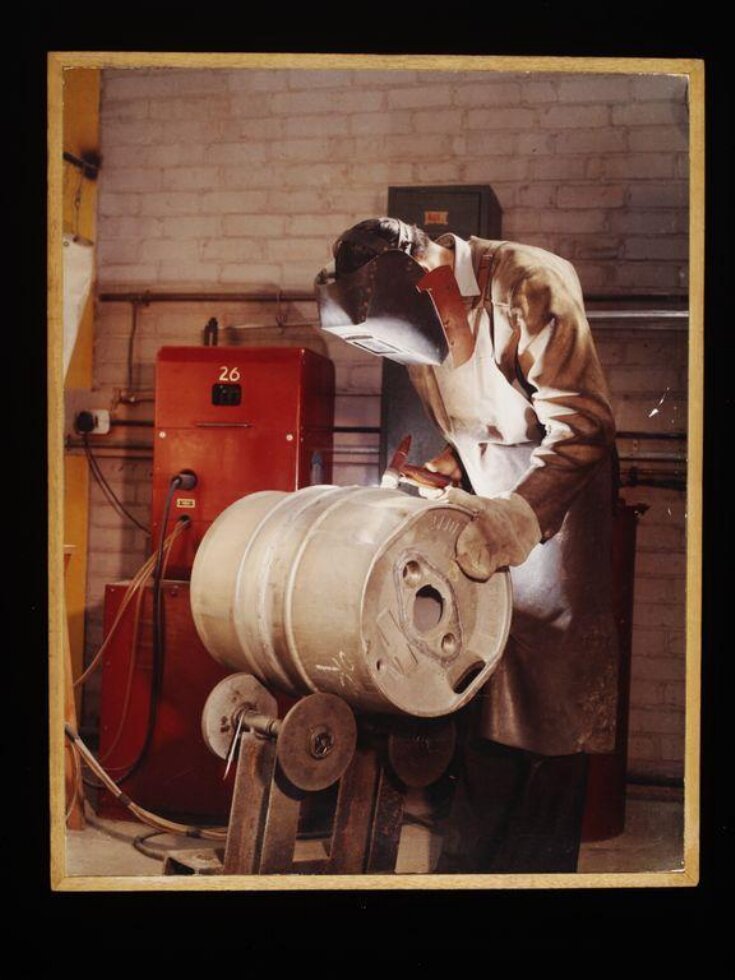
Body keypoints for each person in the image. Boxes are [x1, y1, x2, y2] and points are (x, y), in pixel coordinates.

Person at [315, 217, 620, 873]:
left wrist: (514, 520)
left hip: (553, 503)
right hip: (483, 495)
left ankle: (536, 877)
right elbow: (477, 419)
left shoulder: (528, 284)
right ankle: (469, 876)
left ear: (432, 276)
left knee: (548, 705)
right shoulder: (411, 310)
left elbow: (583, 429)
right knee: (480, 682)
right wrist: (450, 468)